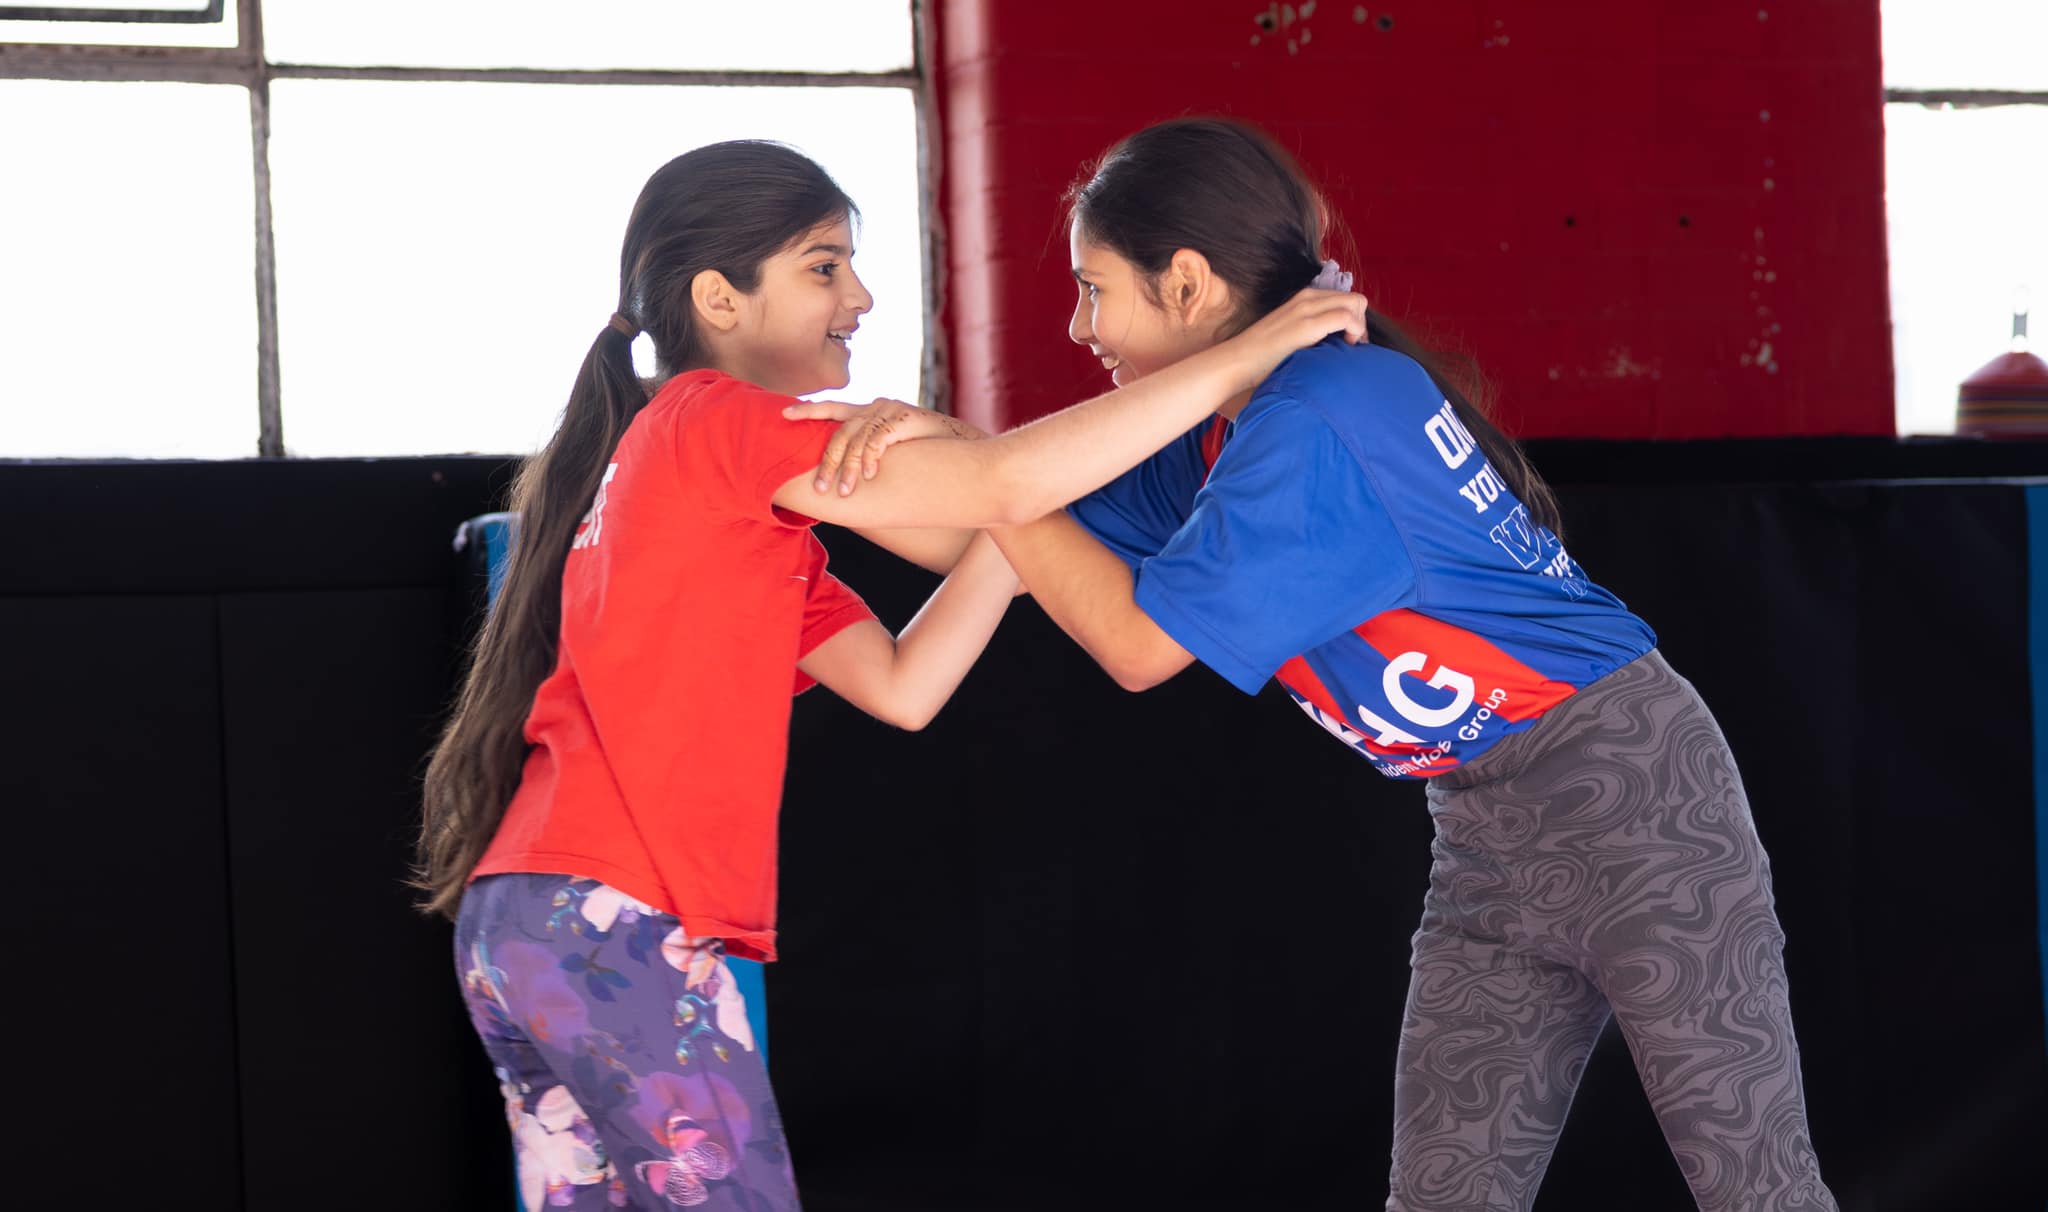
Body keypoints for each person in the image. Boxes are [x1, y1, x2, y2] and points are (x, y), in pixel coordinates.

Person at [793, 117, 1837, 1211]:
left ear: (1185, 283)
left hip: (1633, 802)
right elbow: (997, 541)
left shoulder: (1320, 417)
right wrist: (859, 462)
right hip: (1484, 829)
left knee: (1755, 1189)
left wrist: (988, 473)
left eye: (1093, 289)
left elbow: (1135, 644)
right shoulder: (1224, 425)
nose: (1075, 323)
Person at [414, 138, 1367, 1211]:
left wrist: (1043, 518)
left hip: (534, 924)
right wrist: (1245, 356)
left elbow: (908, 681)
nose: (860, 297)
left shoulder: (739, 514)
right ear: (717, 299)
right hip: (611, 921)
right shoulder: (705, 418)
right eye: (824, 266)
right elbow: (1000, 482)